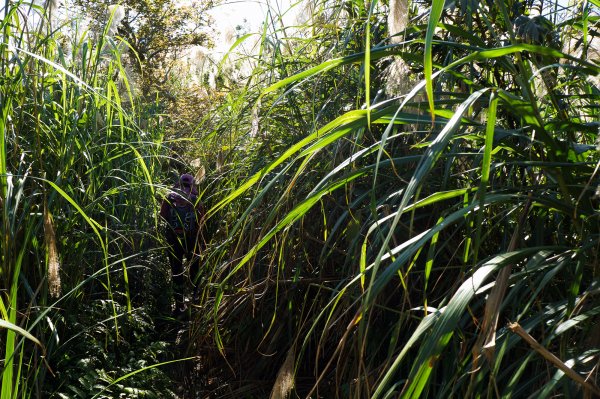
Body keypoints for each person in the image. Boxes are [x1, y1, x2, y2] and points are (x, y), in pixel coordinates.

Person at [160, 173, 204, 314]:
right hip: (191, 240)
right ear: (192, 185)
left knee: (176, 272)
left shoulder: (170, 198)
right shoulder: (196, 199)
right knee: (195, 269)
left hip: (173, 240)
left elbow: (162, 216)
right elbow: (202, 221)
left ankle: (179, 306)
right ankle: (195, 301)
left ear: (178, 183)